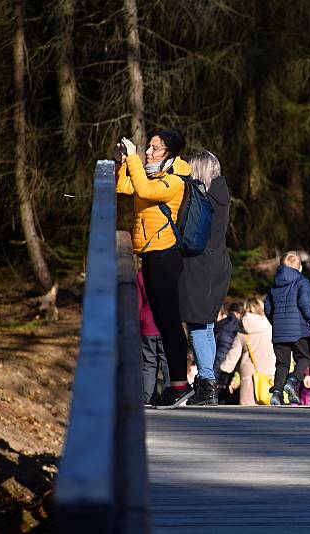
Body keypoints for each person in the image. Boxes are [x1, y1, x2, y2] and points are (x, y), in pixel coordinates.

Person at [115, 130, 193, 408]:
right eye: (148, 147)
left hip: (165, 255)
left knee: (170, 322)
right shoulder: (152, 174)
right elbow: (124, 188)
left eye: (155, 149)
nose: (148, 152)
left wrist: (134, 158)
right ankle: (176, 386)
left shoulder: (174, 181)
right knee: (161, 322)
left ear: (170, 154)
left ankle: (180, 385)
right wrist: (124, 161)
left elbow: (145, 191)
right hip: (150, 253)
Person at [177, 150, 232, 406]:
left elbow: (190, 234)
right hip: (219, 264)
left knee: (198, 326)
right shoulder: (222, 195)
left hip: (200, 265)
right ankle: (209, 383)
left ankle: (207, 385)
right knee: (207, 325)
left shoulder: (200, 197)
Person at [264, 252, 310, 406]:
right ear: (299, 267)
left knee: (282, 364)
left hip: (279, 331)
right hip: (299, 329)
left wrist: (276, 322)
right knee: (304, 357)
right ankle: (292, 380)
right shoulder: (302, 281)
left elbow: (267, 307)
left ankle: (277, 394)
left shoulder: (275, 283)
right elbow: (305, 304)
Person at [137, 269, 169, 405]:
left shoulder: (140, 275)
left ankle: (148, 398)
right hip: (166, 324)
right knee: (167, 362)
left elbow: (137, 303)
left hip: (147, 325)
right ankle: (169, 395)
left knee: (149, 364)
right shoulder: (167, 272)